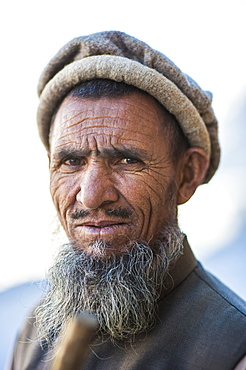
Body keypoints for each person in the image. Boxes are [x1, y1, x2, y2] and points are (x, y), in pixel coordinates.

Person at [9, 31, 246, 369]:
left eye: (126, 160)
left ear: (188, 174)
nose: (91, 195)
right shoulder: (39, 330)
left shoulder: (232, 349)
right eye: (71, 161)